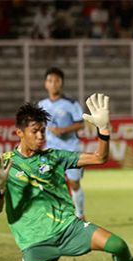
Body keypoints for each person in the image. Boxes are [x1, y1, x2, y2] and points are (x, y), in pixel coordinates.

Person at [0, 94, 133, 261]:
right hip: (35, 242)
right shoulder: (5, 163)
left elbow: (100, 158)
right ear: (19, 133)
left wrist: (104, 130)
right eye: (35, 132)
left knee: (119, 246)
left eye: (43, 130)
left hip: (68, 228)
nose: (41, 136)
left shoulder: (54, 157)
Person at [38, 67, 86, 219]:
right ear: (45, 84)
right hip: (51, 150)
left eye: (57, 81)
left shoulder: (71, 104)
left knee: (74, 184)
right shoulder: (41, 104)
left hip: (71, 148)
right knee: (47, 183)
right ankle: (53, 216)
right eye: (50, 81)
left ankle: (80, 215)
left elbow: (81, 123)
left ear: (62, 83)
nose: (53, 84)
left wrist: (63, 129)